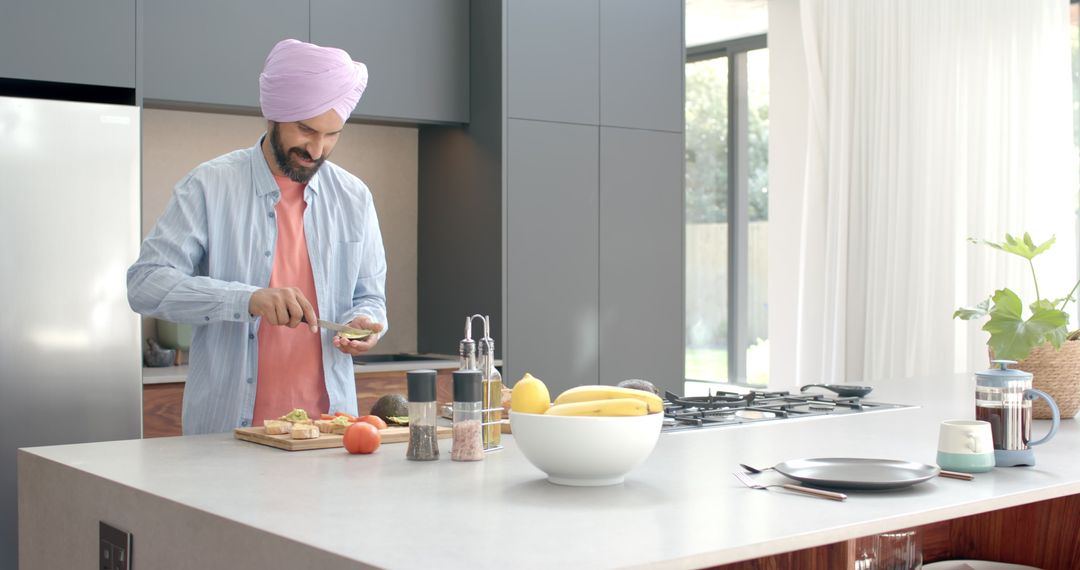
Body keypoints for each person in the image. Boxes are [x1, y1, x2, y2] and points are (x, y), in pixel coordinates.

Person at [128, 39, 387, 435]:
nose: (317, 149)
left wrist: (365, 322)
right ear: (275, 115)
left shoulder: (354, 198)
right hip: (224, 439)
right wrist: (246, 299)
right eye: (306, 129)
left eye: (332, 134)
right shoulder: (209, 186)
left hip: (329, 436)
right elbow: (144, 284)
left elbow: (370, 295)